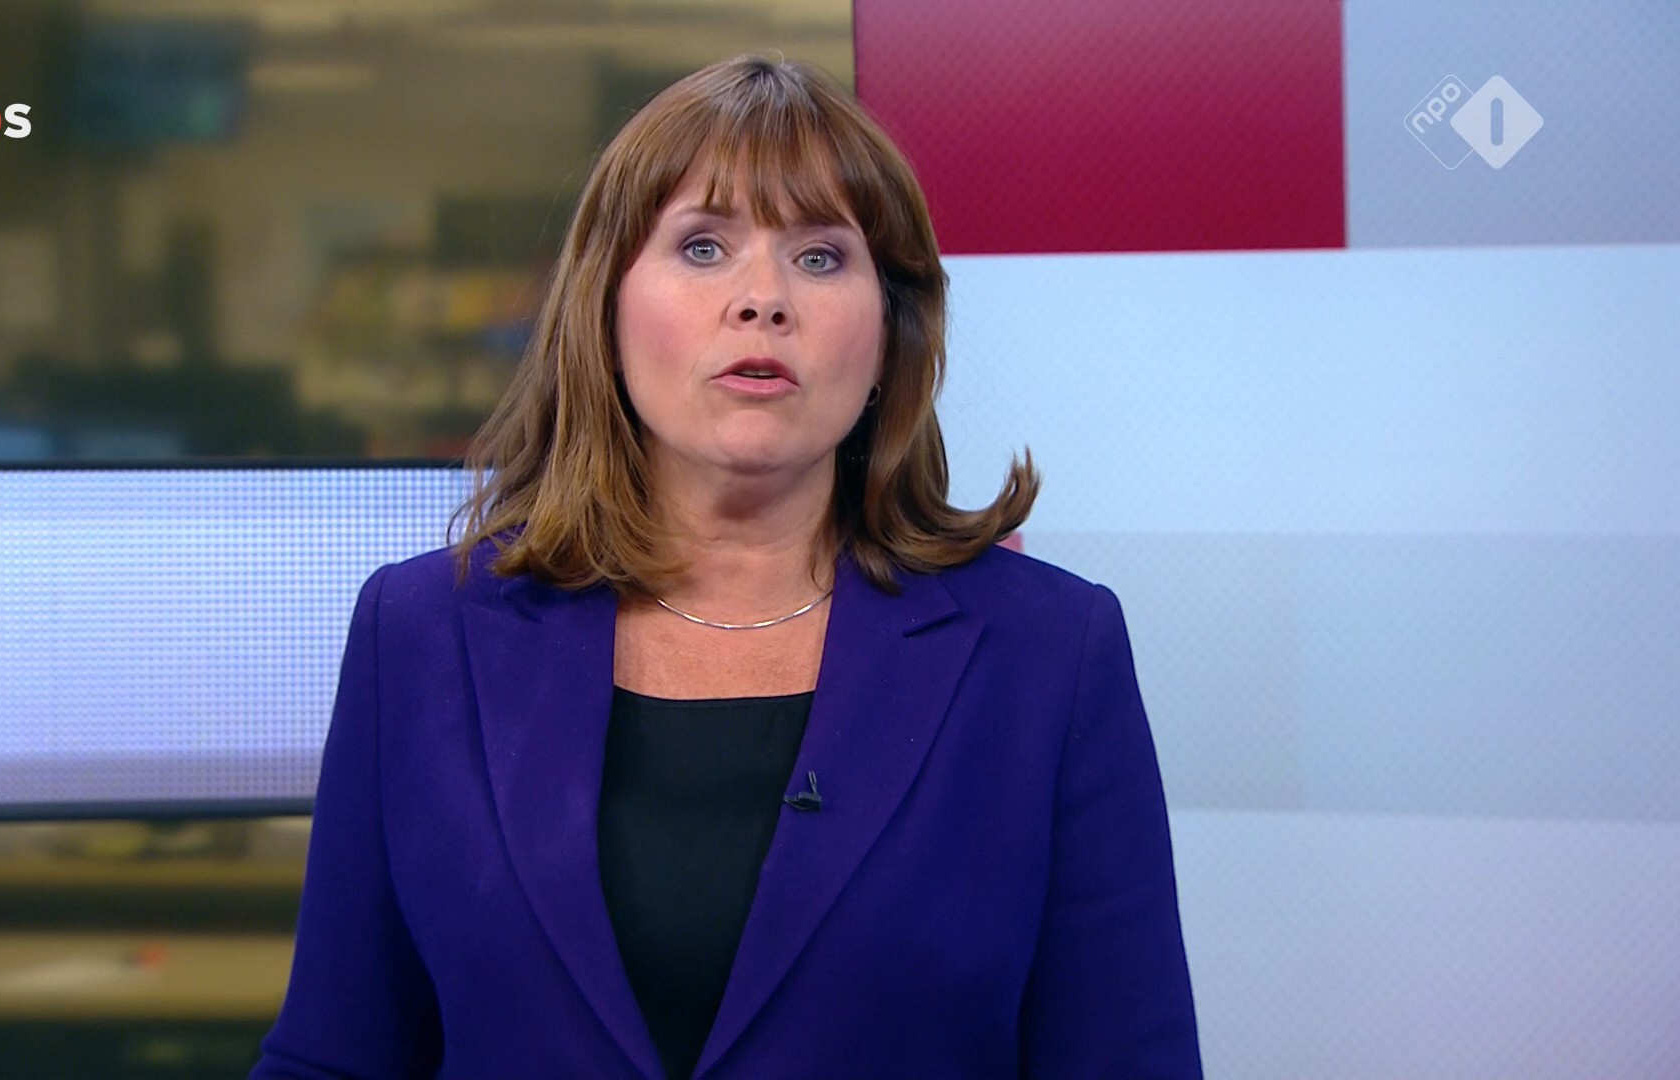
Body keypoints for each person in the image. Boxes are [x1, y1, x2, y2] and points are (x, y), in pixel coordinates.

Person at [252, 53, 1201, 1080]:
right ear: (606, 309)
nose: (763, 299)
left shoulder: (1048, 654)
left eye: (821, 257)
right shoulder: (420, 633)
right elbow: (335, 1058)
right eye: (702, 246)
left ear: (890, 333)